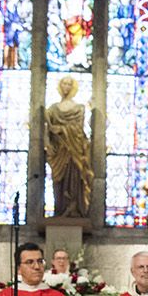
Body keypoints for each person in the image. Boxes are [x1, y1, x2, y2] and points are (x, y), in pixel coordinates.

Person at [45, 75, 92, 219]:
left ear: (73, 88)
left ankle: (74, 209)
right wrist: (49, 139)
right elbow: (47, 131)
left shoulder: (78, 109)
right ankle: (59, 209)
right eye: (64, 83)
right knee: (59, 181)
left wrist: (61, 129)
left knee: (74, 179)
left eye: (69, 84)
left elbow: (78, 130)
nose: (66, 87)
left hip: (74, 151)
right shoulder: (52, 109)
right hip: (59, 151)